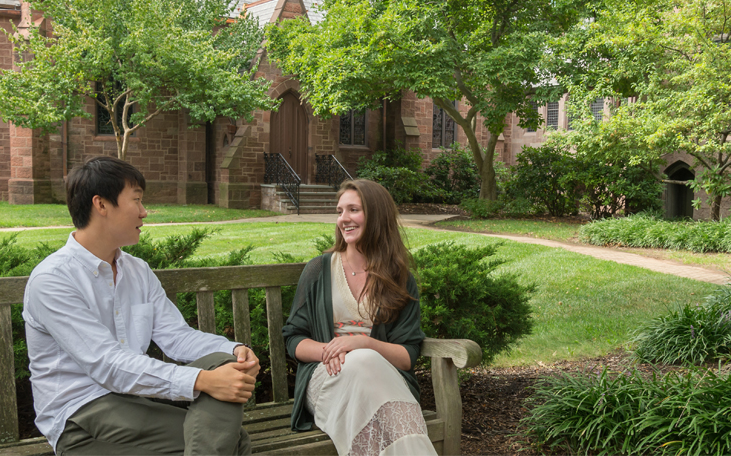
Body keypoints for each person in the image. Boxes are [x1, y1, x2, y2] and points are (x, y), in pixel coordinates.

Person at [23, 156, 258, 455]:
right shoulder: (53, 280)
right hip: (81, 413)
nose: (145, 212)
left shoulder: (138, 271)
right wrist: (202, 381)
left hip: (133, 400)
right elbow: (106, 364)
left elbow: (176, 336)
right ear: (102, 205)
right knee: (234, 443)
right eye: (136, 200)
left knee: (224, 363)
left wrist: (235, 351)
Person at [282, 179, 436, 456]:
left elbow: (407, 355)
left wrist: (363, 344)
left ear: (376, 215)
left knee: (366, 361)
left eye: (353, 210)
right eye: (340, 211)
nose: (344, 219)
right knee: (362, 364)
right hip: (326, 377)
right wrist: (334, 351)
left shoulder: (399, 279)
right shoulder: (318, 270)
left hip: (381, 380)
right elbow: (294, 339)